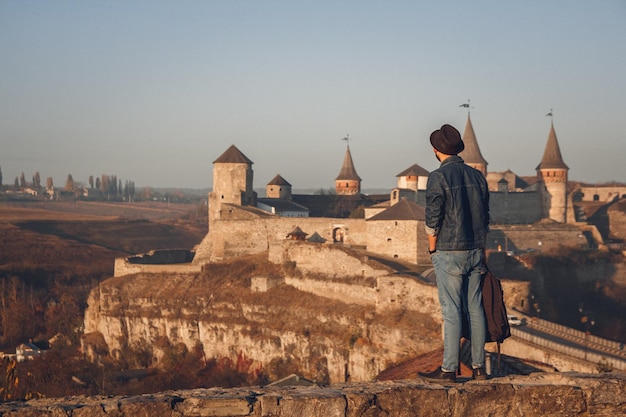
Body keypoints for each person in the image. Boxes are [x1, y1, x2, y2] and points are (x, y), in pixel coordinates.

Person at [418, 124, 490, 383]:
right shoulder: (477, 176)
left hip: (449, 250)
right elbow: (485, 217)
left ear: (436, 151)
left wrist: (432, 246)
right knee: (475, 308)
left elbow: (433, 216)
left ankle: (448, 369)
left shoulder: (438, 177)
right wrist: (482, 248)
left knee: (451, 311)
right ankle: (480, 368)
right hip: (475, 249)